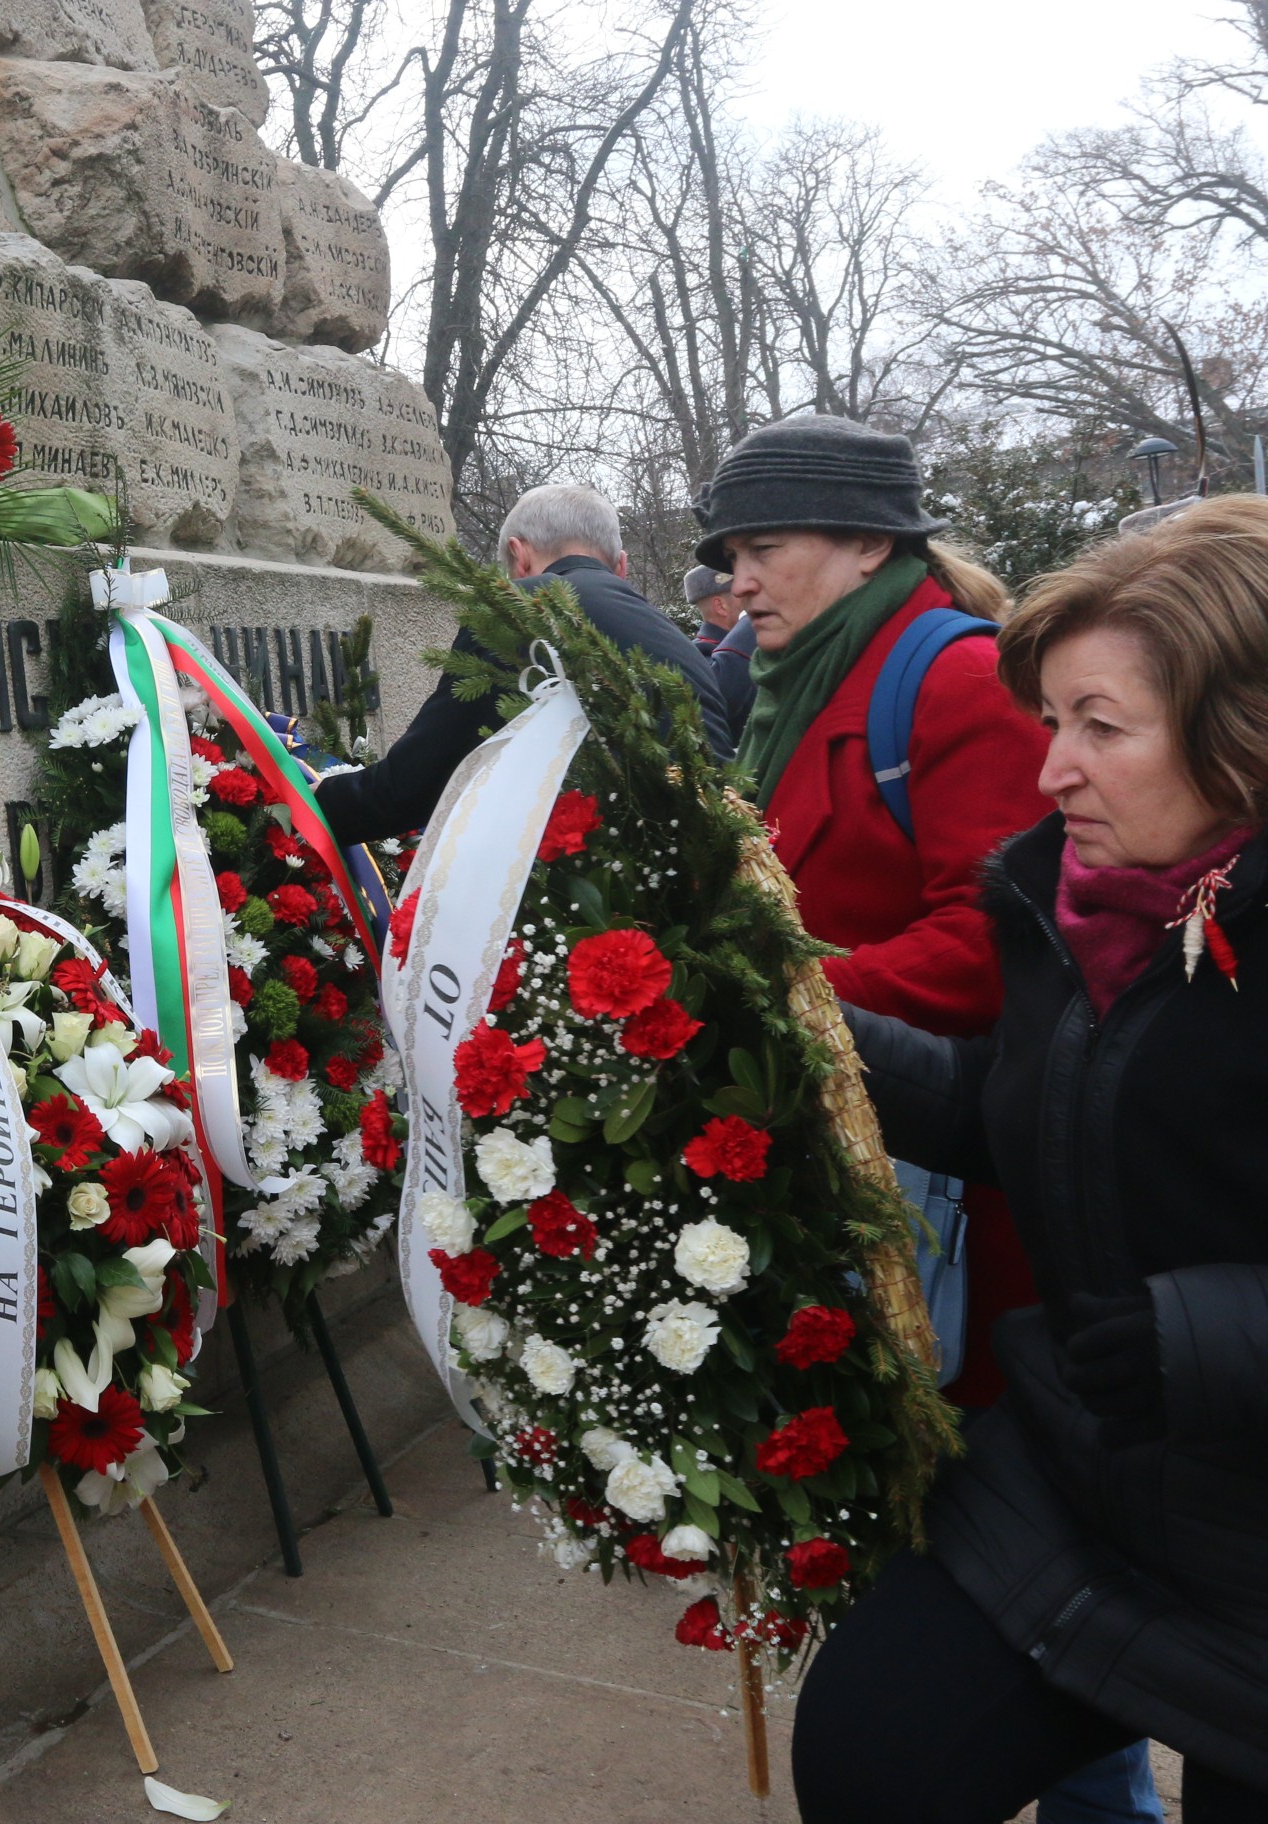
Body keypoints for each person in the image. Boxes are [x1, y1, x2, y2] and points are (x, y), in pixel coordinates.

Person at [703, 419, 1163, 1824]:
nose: (736, 580)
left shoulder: (950, 679)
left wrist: (787, 1002)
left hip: (975, 1196)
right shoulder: (790, 683)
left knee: (1037, 1577)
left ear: (865, 544)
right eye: (727, 554)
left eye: (763, 547)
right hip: (884, 1154)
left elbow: (996, 935)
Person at [793, 493, 1268, 1822]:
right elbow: (1028, 1110)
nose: (1053, 770)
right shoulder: (1069, 904)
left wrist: (1207, 1335)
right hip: (1088, 1480)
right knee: (876, 1759)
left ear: (1243, 735)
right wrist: (816, 1037)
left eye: (1100, 727)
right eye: (1054, 720)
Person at [311, 483, 730, 843]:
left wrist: (308, 803)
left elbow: (413, 785)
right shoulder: (672, 632)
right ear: (621, 566)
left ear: (519, 555)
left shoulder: (522, 609)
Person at [685, 561, 758, 727]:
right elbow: (722, 696)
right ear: (721, 606)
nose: (754, 600)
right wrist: (752, 618)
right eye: (745, 595)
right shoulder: (696, 655)